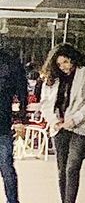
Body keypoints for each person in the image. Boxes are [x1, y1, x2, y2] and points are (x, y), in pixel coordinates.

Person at [39, 46, 85, 203]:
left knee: (72, 167)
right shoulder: (52, 76)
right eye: (59, 64)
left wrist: (75, 119)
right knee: (61, 171)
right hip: (59, 127)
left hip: (80, 126)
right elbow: (45, 102)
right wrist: (53, 120)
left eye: (66, 62)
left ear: (73, 59)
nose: (63, 67)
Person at [0, 48, 28, 203]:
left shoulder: (10, 63)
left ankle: (12, 201)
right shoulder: (11, 62)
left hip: (3, 124)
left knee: (7, 168)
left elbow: (22, 92)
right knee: (7, 168)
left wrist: (20, 119)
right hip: (4, 123)